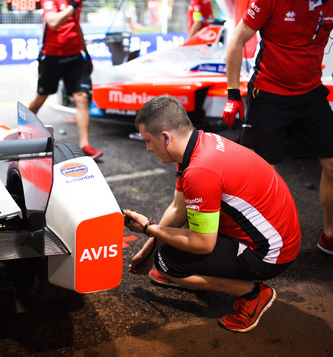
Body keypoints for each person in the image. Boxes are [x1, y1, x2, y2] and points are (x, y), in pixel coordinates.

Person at [223, 0, 333, 266]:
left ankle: (331, 236)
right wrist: (233, 94)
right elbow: (236, 40)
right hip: (268, 93)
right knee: (262, 173)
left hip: (309, 93)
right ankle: (253, 240)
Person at [124, 95, 302, 333]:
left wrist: (148, 229)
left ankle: (252, 294)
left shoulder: (199, 171)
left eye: (148, 141)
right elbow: (178, 209)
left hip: (270, 254)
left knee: (166, 262)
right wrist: (146, 251)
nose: (147, 148)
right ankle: (190, 270)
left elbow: (202, 244)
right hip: (274, 235)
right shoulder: (198, 144)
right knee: (181, 233)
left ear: (166, 137)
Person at [28, 0, 102, 159]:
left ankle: (85, 145)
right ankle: (21, 133)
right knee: (41, 97)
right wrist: (73, 5)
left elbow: (76, 26)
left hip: (74, 56)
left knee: (82, 97)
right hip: (51, 56)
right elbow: (53, 22)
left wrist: (86, 53)